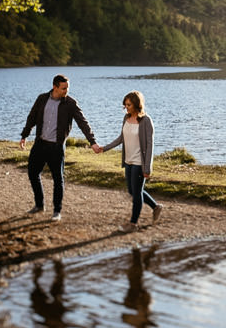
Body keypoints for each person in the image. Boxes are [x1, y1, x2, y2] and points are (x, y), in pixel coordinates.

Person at [19, 74, 98, 221]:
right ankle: (39, 204)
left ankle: (57, 211)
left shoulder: (70, 103)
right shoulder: (42, 99)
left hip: (56, 147)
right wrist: (24, 135)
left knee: (58, 179)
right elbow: (32, 117)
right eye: (63, 88)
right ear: (55, 87)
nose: (66, 91)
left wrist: (92, 142)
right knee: (32, 173)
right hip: (40, 144)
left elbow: (83, 122)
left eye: (67, 88)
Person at [94, 90, 163, 228]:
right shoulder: (126, 118)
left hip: (139, 162)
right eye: (125, 105)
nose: (126, 107)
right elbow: (121, 138)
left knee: (136, 193)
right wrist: (104, 148)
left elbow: (149, 146)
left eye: (129, 105)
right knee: (132, 191)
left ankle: (133, 223)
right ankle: (156, 207)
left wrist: (147, 168)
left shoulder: (146, 121)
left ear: (137, 104)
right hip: (128, 161)